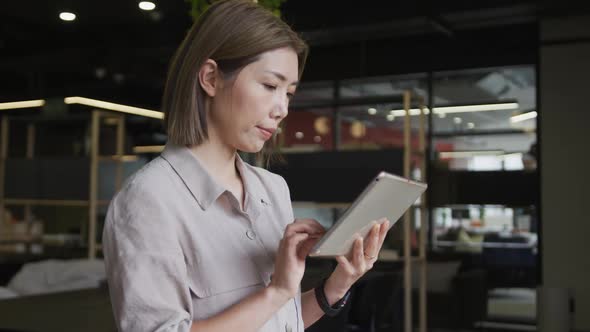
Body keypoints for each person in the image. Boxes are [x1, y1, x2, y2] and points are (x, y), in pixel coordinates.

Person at [102, 1, 390, 331]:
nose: (282, 108)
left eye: (289, 93)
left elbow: (283, 321)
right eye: (270, 86)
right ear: (211, 77)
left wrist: (338, 283)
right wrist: (276, 291)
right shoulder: (148, 200)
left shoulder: (272, 189)